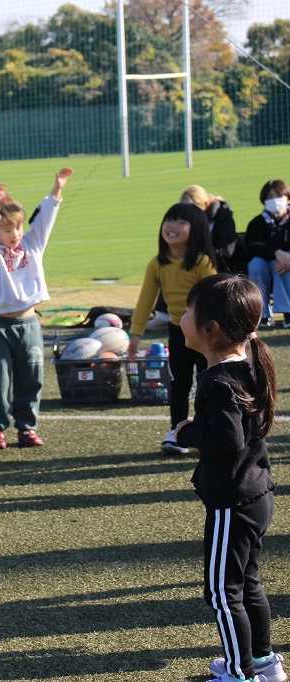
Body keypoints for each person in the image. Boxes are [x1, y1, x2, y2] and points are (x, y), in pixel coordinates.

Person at [173, 274, 283, 682]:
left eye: (188, 311)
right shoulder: (247, 363)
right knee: (247, 583)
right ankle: (264, 663)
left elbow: (227, 440)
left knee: (222, 593)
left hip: (232, 501)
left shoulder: (218, 380)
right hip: (255, 494)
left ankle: (240, 674)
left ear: (212, 329)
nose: (182, 317)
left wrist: (187, 433)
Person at [0, 168, 71, 450]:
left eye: (17, 227)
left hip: (29, 324)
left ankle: (27, 427)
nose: (15, 234)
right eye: (7, 230)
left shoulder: (32, 245)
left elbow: (45, 220)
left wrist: (57, 189)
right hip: (0, 327)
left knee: (32, 376)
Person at [128, 203, 217, 456]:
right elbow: (145, 300)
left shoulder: (201, 262)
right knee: (179, 383)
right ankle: (177, 432)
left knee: (207, 383)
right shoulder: (157, 264)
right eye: (169, 220)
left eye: (181, 222)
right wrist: (135, 334)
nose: (172, 226)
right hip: (178, 331)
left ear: (196, 229)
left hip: (205, 333)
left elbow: (214, 297)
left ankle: (207, 432)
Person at [244, 179, 290, 328]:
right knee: (256, 265)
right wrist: (276, 253)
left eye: (278, 195)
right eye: (270, 197)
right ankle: (261, 314)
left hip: (286, 264)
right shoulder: (256, 223)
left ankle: (287, 312)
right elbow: (253, 247)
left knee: (283, 267)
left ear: (287, 197)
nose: (274, 200)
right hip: (266, 263)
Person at [181, 185, 243, 275]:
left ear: (205, 204)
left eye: (192, 208)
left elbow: (228, 251)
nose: (188, 213)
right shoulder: (190, 221)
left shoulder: (223, 218)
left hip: (224, 269)